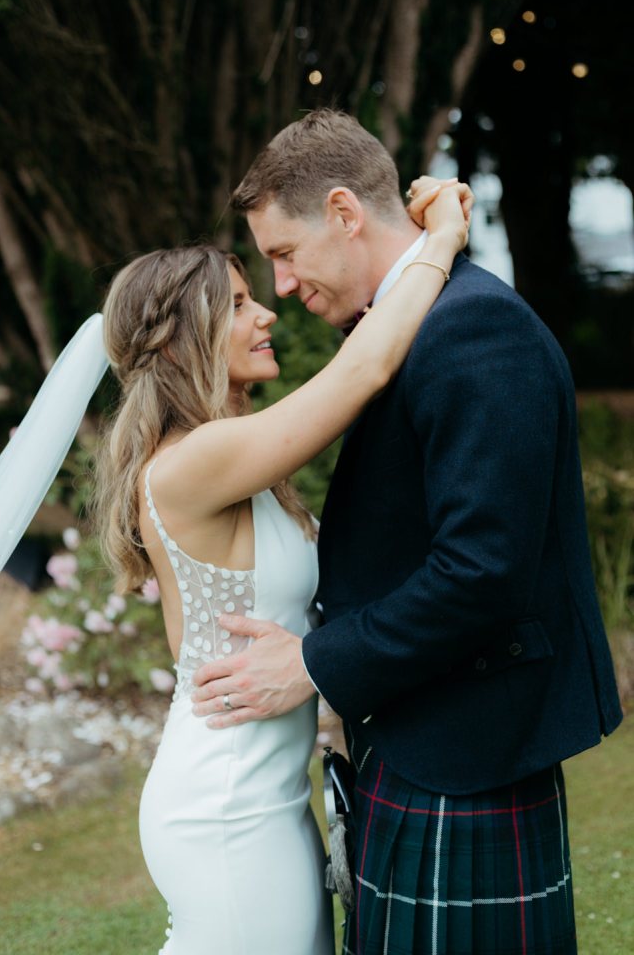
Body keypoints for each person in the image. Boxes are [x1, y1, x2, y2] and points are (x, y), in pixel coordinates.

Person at [192, 109, 623, 955]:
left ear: (346, 213)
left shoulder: (472, 328)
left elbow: (481, 570)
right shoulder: (416, 324)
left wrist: (316, 663)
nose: (281, 286)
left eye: (283, 254)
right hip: (425, 733)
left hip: (467, 747)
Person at [94, 181, 468, 955]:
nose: (266, 310)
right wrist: (441, 241)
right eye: (235, 304)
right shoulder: (192, 461)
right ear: (174, 340)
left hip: (269, 798)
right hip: (224, 806)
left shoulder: (238, 460)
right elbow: (361, 373)